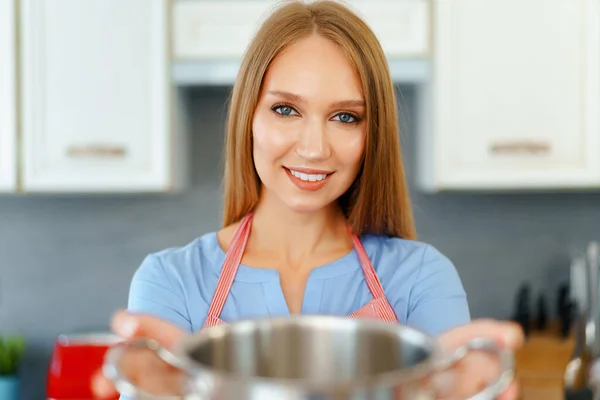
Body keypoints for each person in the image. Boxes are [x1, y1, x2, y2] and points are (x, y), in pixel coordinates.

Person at [92, 0, 523, 398]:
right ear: (249, 118)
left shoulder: (421, 279)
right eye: (286, 110)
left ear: (371, 136)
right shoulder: (171, 282)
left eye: (344, 117)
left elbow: (454, 383)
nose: (314, 148)